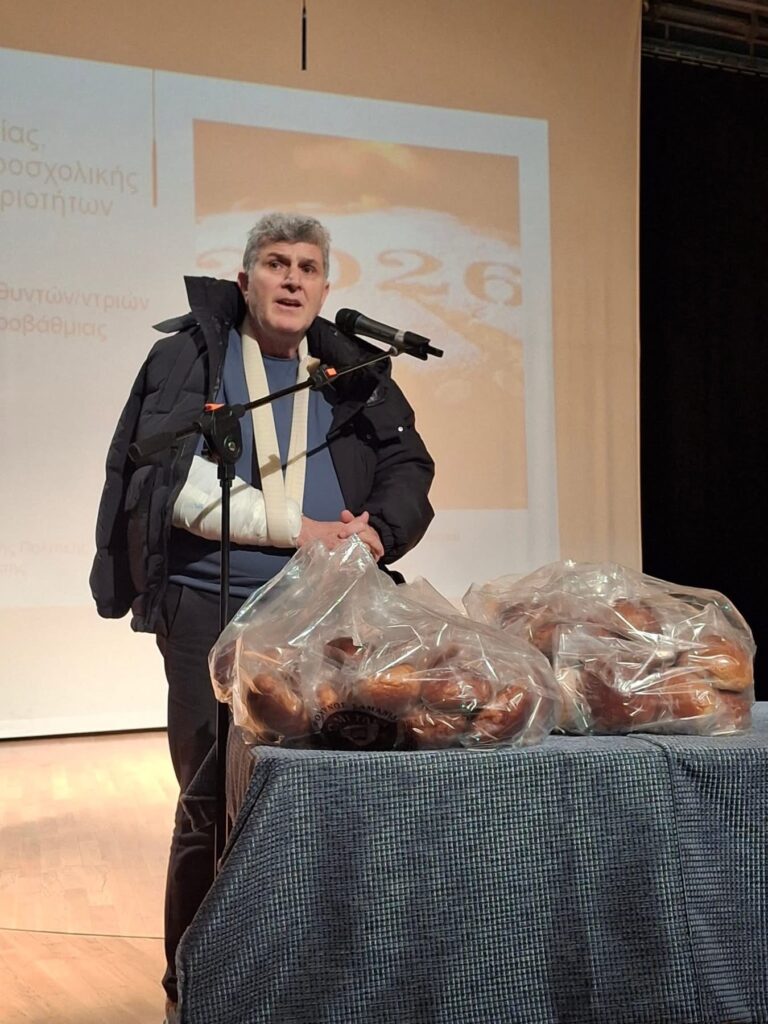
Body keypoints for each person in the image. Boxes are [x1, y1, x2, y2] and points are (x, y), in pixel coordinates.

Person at [89, 212, 435, 1021]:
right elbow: (168, 483)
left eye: (308, 268)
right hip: (209, 604)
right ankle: (193, 987)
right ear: (245, 282)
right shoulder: (187, 358)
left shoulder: (352, 368)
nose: (292, 279)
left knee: (326, 798)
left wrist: (378, 532)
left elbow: (409, 463)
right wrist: (296, 530)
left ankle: (305, 980)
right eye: (276, 264)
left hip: (329, 610)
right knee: (212, 799)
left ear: (325, 286)